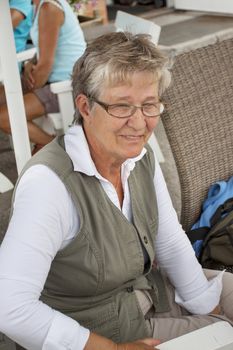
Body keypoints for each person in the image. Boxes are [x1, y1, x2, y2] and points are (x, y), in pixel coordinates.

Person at [0, 32, 233, 350]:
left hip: (147, 296)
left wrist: (210, 306)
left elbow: (169, 240)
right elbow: (9, 308)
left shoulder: (138, 158)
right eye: (122, 107)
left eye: (149, 105)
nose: (139, 123)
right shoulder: (49, 185)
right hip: (98, 332)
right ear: (85, 106)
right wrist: (108, 349)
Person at [0, 0, 86, 152]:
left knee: (5, 118)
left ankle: (59, 150)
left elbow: (45, 66)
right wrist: (29, 65)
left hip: (67, 86)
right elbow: (44, 49)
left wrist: (26, 86)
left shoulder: (49, 8)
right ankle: (45, 145)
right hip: (54, 81)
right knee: (3, 97)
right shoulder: (42, 6)